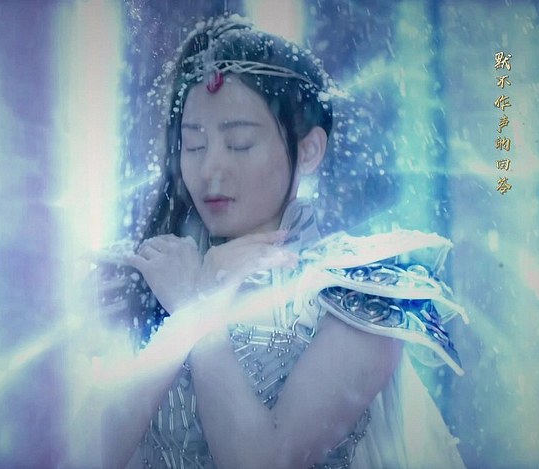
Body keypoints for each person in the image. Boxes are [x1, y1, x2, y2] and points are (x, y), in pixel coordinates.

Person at [79, 14, 467, 469]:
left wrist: (196, 309)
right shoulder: (148, 272)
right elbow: (79, 453)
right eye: (194, 145)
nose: (210, 169)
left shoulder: (362, 288)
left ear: (309, 150)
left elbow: (266, 461)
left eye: (240, 144)